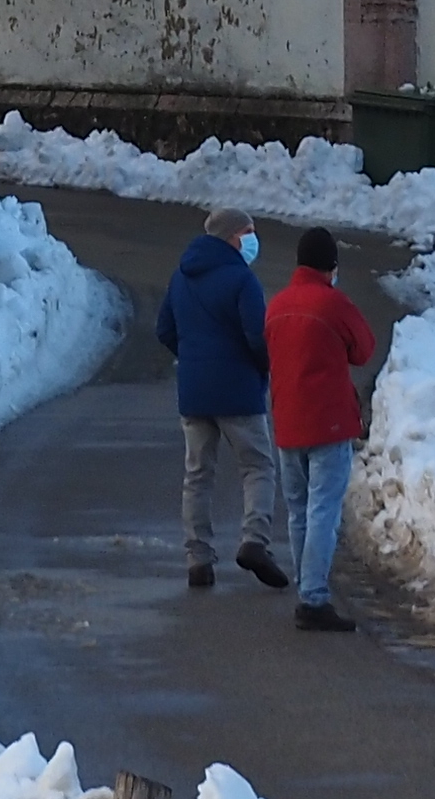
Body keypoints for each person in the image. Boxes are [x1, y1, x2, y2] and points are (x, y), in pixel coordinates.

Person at [156, 206, 288, 591]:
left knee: (198, 474)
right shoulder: (241, 279)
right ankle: (254, 541)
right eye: (248, 232)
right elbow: (257, 336)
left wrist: (193, 356)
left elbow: (165, 328)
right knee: (258, 466)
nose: (252, 239)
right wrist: (264, 367)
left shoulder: (182, 276)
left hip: (194, 391)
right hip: (238, 390)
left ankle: (198, 558)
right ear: (232, 236)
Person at [264, 226, 379, 631]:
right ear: (330, 265)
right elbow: (364, 350)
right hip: (328, 423)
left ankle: (306, 588)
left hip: (287, 422)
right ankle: (313, 598)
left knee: (298, 510)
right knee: (322, 510)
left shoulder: (276, 306)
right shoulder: (334, 304)